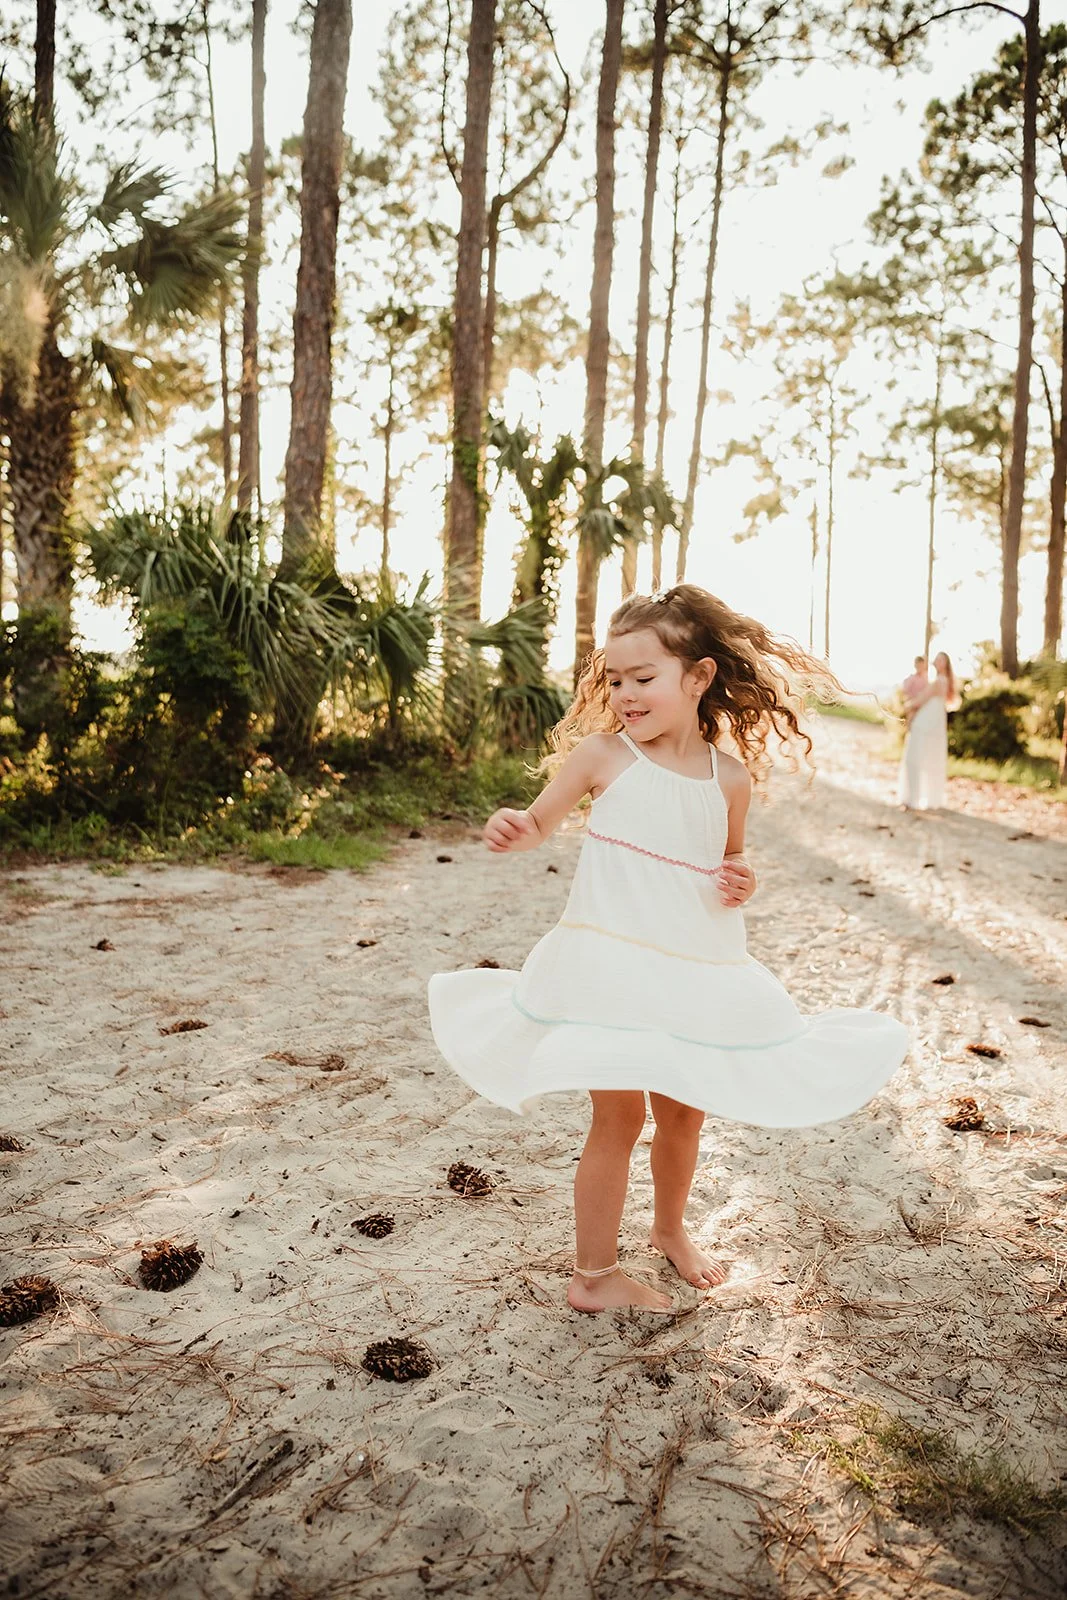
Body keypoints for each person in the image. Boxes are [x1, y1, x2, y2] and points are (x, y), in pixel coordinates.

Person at [428, 586, 909, 1316]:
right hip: (610, 971)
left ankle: (669, 1229)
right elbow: (536, 823)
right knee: (617, 1119)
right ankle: (593, 1278)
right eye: (613, 680)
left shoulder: (729, 779)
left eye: (641, 678)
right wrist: (512, 828)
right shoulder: (601, 757)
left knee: (684, 1116)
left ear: (698, 677)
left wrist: (740, 878)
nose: (623, 694)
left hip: (691, 971)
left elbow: (728, 863)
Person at [898, 650, 957, 811]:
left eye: (941, 660)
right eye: (936, 659)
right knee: (930, 757)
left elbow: (921, 699)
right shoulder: (941, 681)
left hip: (928, 722)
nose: (937, 662)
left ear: (946, 664)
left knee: (915, 757)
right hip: (935, 721)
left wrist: (908, 705)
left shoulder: (939, 682)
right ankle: (922, 796)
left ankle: (911, 798)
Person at [902, 656, 928, 724]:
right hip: (912, 706)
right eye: (918, 665)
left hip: (922, 707)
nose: (920, 667)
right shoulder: (911, 678)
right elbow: (905, 691)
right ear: (915, 665)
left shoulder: (925, 678)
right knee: (911, 723)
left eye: (921, 665)